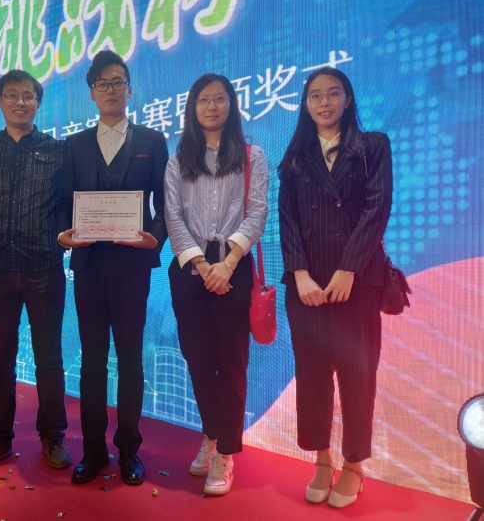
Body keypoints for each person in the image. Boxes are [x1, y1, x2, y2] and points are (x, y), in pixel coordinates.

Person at [278, 67, 392, 508]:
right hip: (307, 282)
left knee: (357, 374)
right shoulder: (296, 156)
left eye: (332, 93)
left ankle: (354, 465)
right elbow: (287, 219)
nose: (324, 102)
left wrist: (349, 269)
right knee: (311, 375)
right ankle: (322, 459)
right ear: (306, 105)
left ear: (348, 98)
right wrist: (299, 273)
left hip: (357, 279)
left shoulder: (372, 146)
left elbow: (378, 207)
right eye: (315, 95)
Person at [57, 50, 168, 486]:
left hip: (131, 266)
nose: (109, 89)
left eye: (117, 82)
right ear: (91, 93)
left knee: (130, 359)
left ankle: (129, 450)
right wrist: (64, 234)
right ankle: (93, 450)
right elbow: (64, 204)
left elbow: (165, 204)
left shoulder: (152, 141)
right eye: (101, 83)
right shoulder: (74, 145)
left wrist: (154, 237)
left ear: (129, 89)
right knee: (91, 361)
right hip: (88, 265)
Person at [164, 74, 268, 496]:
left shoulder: (251, 155)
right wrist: (203, 265)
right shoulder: (178, 160)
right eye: (203, 100)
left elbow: (257, 212)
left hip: (233, 264)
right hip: (190, 268)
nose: (211, 106)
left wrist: (226, 264)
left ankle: (226, 451)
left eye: (219, 99)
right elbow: (172, 217)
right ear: (192, 108)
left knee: (232, 362)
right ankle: (211, 433)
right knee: (198, 359)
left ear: (231, 104)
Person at [0, 69, 70, 472]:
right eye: (12, 95)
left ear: (38, 103)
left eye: (28, 95)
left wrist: (65, 231)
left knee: (49, 359)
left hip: (45, 266)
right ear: (0, 101)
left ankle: (52, 437)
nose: (20, 102)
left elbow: (69, 202)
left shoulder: (56, 150)